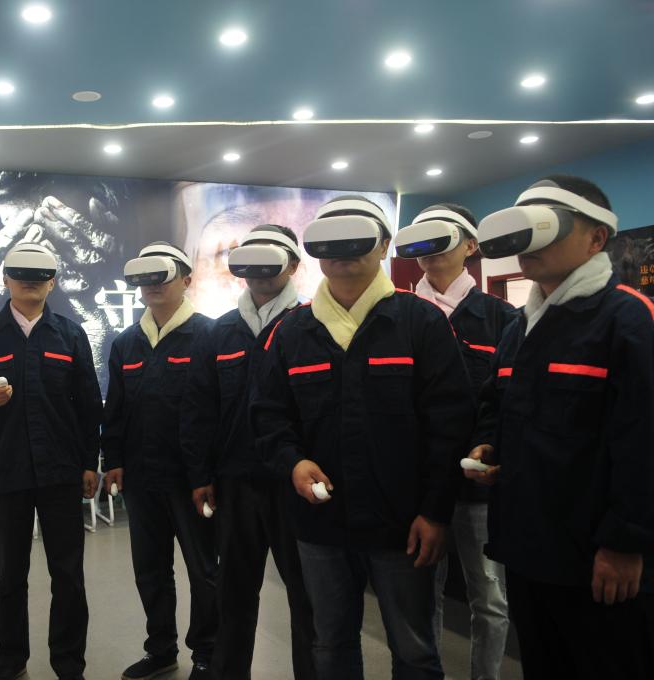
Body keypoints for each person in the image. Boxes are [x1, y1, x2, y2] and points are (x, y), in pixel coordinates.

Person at [252, 195, 475, 679]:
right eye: (329, 241)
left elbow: (450, 424)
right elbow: (269, 416)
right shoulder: (292, 332)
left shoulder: (421, 322)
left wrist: (436, 512)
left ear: (384, 245)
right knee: (330, 645)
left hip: (404, 526)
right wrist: (293, 462)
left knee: (415, 651)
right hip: (321, 526)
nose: (342, 251)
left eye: (356, 238)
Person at [465, 175, 654, 679]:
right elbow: (496, 403)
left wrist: (625, 542)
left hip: (598, 560)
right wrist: (487, 444)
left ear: (596, 238)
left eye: (545, 228)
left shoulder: (629, 321)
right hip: (528, 549)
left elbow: (644, 441)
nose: (529, 245)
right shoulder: (519, 327)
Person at [0, 241, 103, 680]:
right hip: (5, 471)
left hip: (61, 474)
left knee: (68, 575)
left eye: (40, 276)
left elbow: (89, 406)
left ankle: (69, 664)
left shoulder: (71, 335)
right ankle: (10, 661)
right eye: (21, 275)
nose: (30, 282)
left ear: (52, 282)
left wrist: (89, 462)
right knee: (10, 576)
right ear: (6, 280)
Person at [181, 224, 316, 679]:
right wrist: (200, 475)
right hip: (235, 484)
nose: (258, 269)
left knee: (306, 595)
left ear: (292, 264)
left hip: (294, 484)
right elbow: (199, 409)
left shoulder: (310, 325)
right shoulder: (219, 332)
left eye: (270, 258)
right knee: (234, 592)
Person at [395, 203, 515, 680]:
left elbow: (506, 398)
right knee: (422, 591)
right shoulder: (398, 314)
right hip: (419, 482)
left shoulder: (502, 317)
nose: (429, 248)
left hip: (477, 485)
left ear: (470, 245)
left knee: (489, 596)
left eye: (440, 235)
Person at [102, 242, 217, 680]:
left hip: (193, 481)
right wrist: (113, 459)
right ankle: (161, 649)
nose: (152, 286)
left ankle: (207, 652)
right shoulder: (126, 343)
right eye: (145, 279)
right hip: (141, 478)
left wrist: (208, 473)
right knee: (150, 569)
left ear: (186, 279)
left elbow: (217, 412)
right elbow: (115, 411)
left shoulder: (209, 336)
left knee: (204, 570)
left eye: (162, 276)